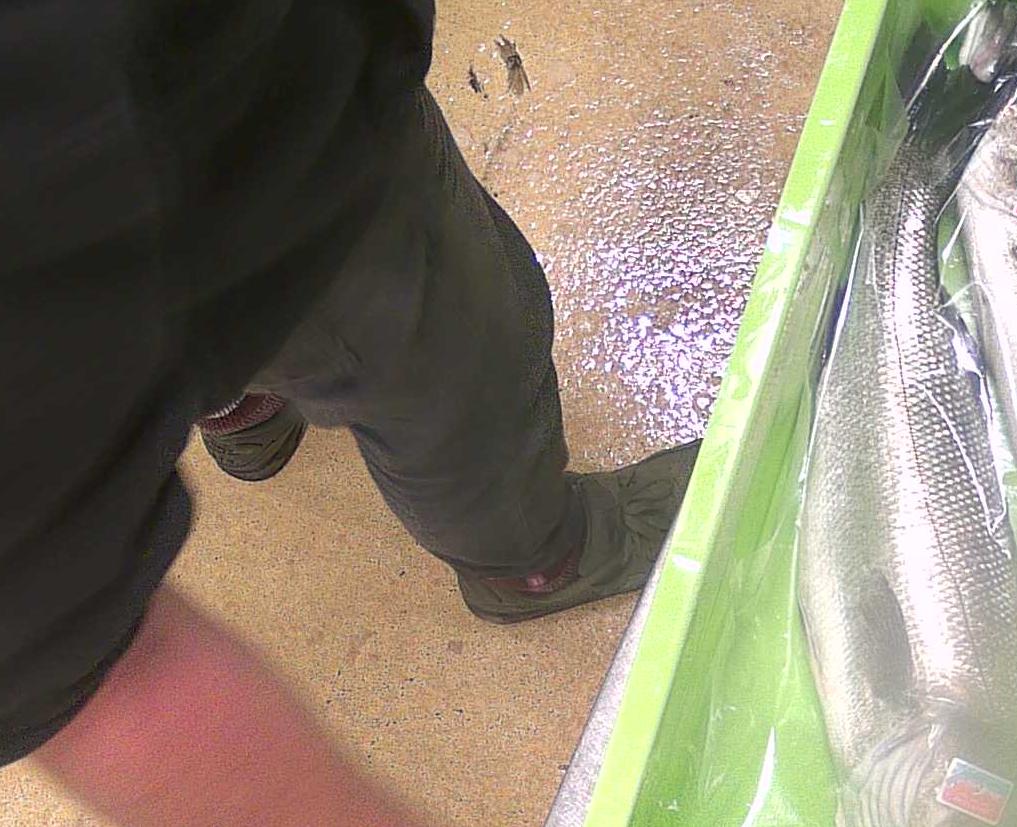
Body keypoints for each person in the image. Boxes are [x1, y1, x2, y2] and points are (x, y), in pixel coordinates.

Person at [0, 3, 699, 825]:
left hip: (127, 168)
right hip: (269, 136)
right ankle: (532, 558)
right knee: (452, 363)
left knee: (178, 308)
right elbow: (74, 669)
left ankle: (246, 414)